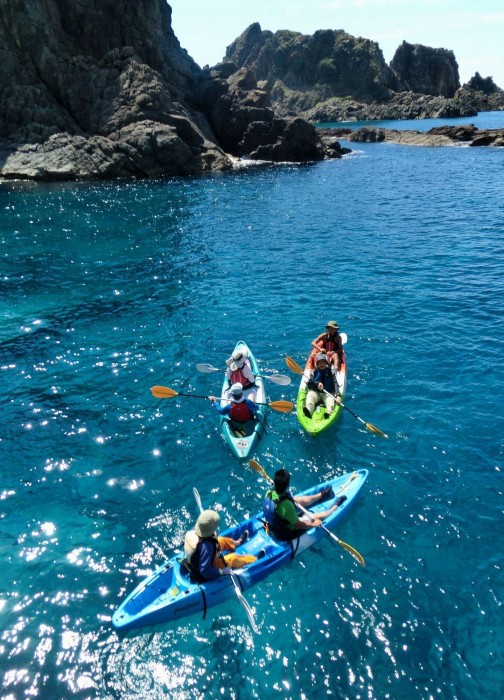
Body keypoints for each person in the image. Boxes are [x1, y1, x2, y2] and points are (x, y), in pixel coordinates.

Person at [263, 468, 347, 541]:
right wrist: (314, 524)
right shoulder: (287, 506)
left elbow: (282, 501)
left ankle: (322, 494)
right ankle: (335, 507)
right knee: (312, 516)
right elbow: (298, 524)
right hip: (286, 532)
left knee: (295, 499)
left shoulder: (269, 493)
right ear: (287, 485)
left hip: (276, 521)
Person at [183, 509, 257, 582]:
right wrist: (221, 571)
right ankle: (254, 560)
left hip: (197, 558)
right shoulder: (207, 547)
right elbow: (204, 570)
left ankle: (238, 542)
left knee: (220, 540)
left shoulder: (193, 531)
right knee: (232, 558)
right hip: (202, 571)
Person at [303, 352, 341, 419]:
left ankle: (328, 413)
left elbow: (335, 383)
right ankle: (309, 410)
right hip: (316, 393)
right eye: (319, 362)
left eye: (323, 362)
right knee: (310, 396)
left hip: (327, 393)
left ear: (326, 363)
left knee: (330, 400)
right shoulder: (314, 372)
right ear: (317, 364)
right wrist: (317, 384)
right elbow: (309, 384)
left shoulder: (331, 372)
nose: (321, 364)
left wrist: (338, 395)